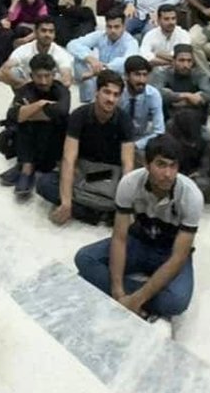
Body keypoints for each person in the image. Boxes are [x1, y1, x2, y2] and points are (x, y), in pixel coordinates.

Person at [73, 135, 201, 320]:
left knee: (177, 301)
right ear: (147, 165)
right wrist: (118, 292)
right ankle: (140, 298)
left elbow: (178, 257)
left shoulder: (191, 196)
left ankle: (114, 289)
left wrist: (136, 300)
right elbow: (119, 237)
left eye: (173, 166)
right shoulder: (130, 183)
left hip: (169, 252)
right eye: (161, 165)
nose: (168, 174)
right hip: (139, 242)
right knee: (84, 258)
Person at [37, 69, 137, 224]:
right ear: (97, 91)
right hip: (83, 172)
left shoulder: (124, 121)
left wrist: (125, 207)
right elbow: (69, 159)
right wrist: (66, 202)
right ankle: (99, 213)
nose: (111, 99)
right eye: (107, 92)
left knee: (135, 194)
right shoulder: (79, 115)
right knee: (45, 183)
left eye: (116, 95)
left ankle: (91, 211)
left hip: (108, 174)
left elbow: (127, 164)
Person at [0, 53, 70, 199]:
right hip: (30, 139)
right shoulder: (26, 89)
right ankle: (26, 167)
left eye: (47, 76)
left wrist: (28, 112)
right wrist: (40, 104)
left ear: (53, 75)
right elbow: (12, 115)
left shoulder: (61, 90)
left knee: (54, 120)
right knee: (23, 122)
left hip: (51, 147)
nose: (43, 81)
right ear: (31, 75)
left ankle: (25, 166)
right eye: (39, 76)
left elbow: (61, 110)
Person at [68, 11, 140, 103]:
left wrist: (102, 68)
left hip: (118, 81)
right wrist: (89, 58)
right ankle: (87, 101)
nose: (112, 30)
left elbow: (127, 62)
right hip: (99, 77)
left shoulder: (131, 42)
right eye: (109, 27)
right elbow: (72, 44)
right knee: (79, 59)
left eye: (116, 27)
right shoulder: (101, 35)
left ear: (124, 27)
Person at [0, 17, 75, 87]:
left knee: (61, 78)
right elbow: (1, 72)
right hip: (26, 87)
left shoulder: (61, 53)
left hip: (50, 90)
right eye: (43, 31)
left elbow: (67, 80)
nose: (47, 35)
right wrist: (24, 85)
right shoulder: (24, 49)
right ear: (35, 32)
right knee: (12, 71)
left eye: (51, 31)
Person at [118, 54, 166, 152]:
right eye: (137, 75)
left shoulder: (153, 95)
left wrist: (135, 145)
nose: (142, 80)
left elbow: (159, 131)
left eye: (145, 75)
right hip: (117, 140)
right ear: (126, 76)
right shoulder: (117, 93)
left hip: (141, 142)